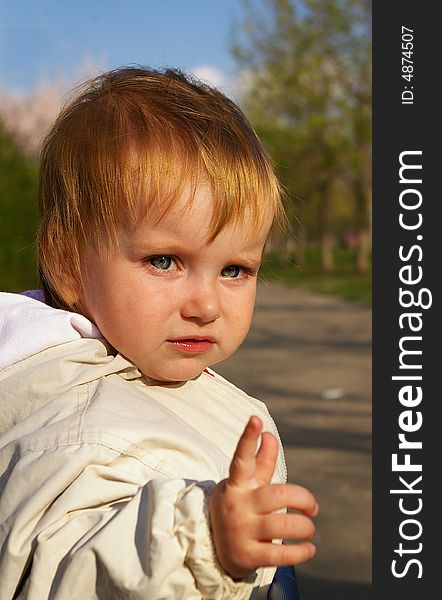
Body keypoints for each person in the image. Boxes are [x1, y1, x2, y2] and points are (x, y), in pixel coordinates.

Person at [0, 67, 317, 599]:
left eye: (235, 270)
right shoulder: (79, 423)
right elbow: (64, 565)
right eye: (165, 261)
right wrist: (206, 542)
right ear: (67, 263)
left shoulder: (138, 370)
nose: (207, 304)